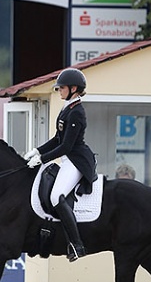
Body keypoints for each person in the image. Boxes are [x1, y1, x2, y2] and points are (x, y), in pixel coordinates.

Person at [25, 67, 97, 262]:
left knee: (57, 196)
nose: (59, 91)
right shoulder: (67, 108)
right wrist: (38, 151)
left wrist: (43, 159)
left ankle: (77, 244)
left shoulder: (77, 113)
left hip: (77, 161)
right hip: (68, 158)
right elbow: (58, 139)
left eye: (62, 88)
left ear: (74, 88)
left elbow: (66, 146)